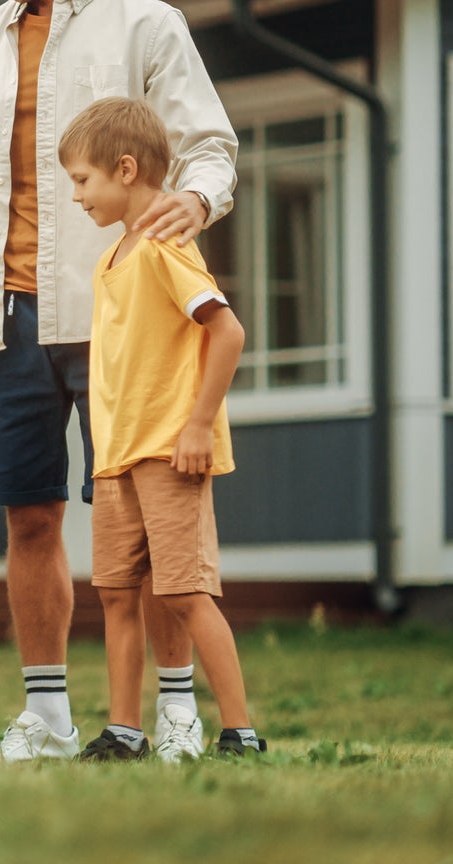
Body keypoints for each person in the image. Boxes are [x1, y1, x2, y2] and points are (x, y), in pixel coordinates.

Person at [0, 0, 237, 764]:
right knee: (28, 518)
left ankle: (174, 714)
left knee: (148, 529)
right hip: (3, 320)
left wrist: (202, 197)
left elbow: (209, 145)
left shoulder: (148, 26)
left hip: (126, 324)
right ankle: (49, 719)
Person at [59, 97, 266, 760]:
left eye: (82, 180)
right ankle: (124, 731)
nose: (75, 195)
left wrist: (199, 424)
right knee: (118, 594)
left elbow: (227, 331)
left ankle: (240, 732)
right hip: (116, 455)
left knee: (183, 591)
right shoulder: (112, 257)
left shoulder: (164, 245)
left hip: (169, 451)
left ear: (125, 169)